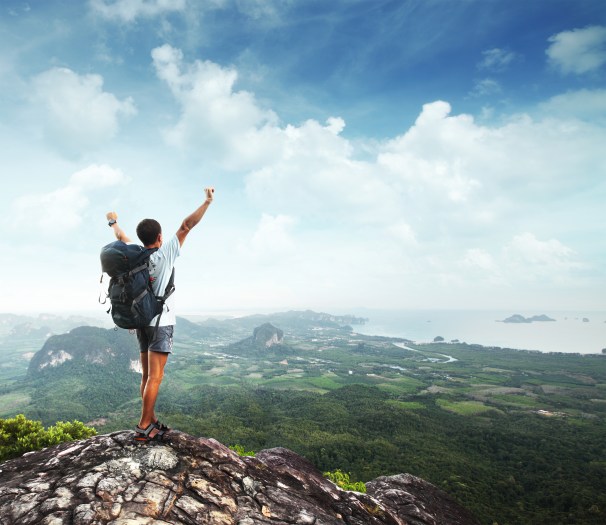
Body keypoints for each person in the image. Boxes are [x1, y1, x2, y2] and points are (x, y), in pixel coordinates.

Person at [106, 187, 214, 441]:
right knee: (156, 377)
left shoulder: (136, 255)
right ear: (160, 236)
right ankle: (144, 425)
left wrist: (113, 222)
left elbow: (121, 237)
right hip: (161, 323)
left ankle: (150, 418)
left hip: (141, 321)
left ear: (142, 238)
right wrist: (207, 201)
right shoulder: (165, 253)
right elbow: (187, 225)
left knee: (146, 375)